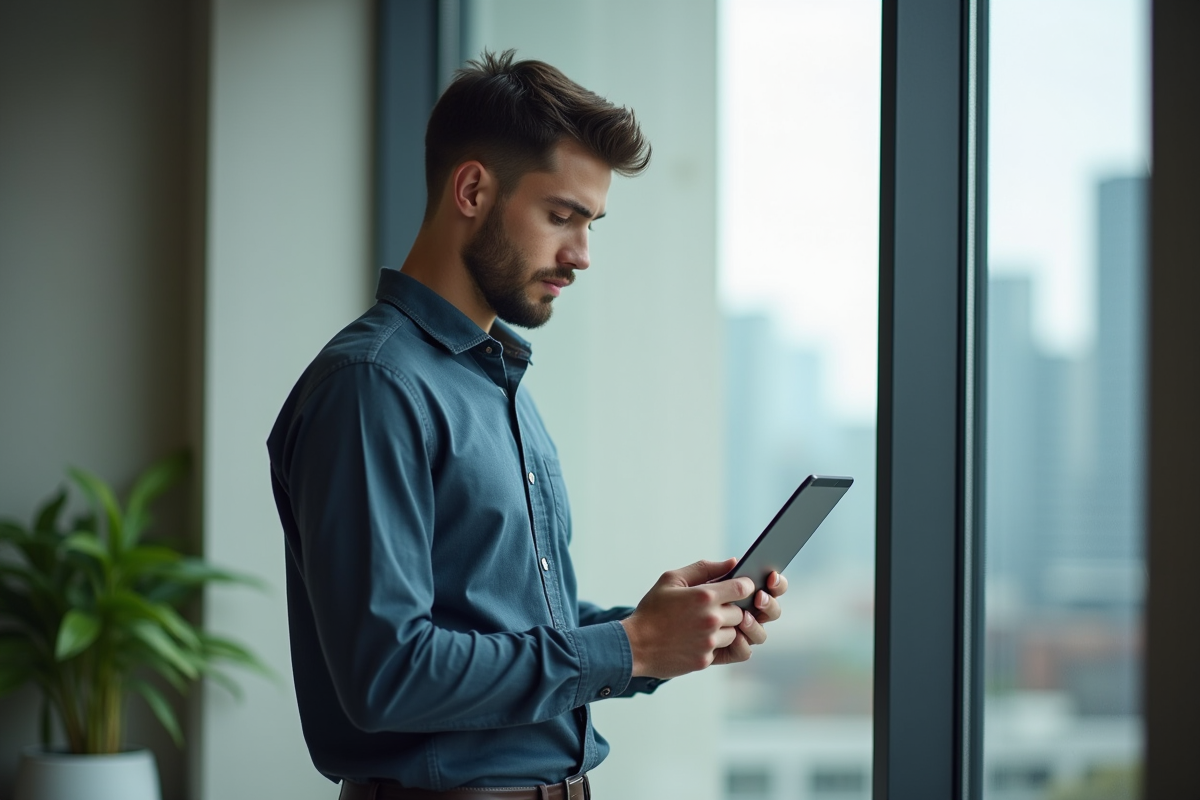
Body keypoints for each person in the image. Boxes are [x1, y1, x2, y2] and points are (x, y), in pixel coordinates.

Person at [267, 50, 788, 800]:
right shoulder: (373, 386)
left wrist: (666, 631)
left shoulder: (496, 380)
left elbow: (505, 624)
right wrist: (630, 646)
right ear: (472, 190)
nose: (582, 255)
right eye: (561, 216)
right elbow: (389, 675)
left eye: (591, 224)